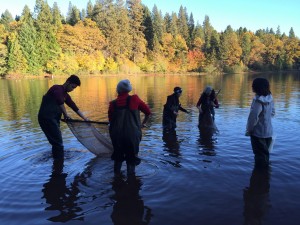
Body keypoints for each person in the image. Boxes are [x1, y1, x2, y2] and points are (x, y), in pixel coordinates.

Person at [38, 75, 89, 159]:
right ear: (68, 82)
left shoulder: (65, 95)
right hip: (46, 119)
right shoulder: (57, 88)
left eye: (74, 88)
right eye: (72, 87)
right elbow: (59, 101)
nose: (72, 90)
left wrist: (85, 118)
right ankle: (59, 159)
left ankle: (57, 163)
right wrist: (66, 115)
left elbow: (74, 107)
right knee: (58, 142)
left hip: (54, 119)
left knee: (57, 141)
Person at [108, 79, 151, 175]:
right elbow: (148, 112)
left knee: (118, 158)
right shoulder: (135, 99)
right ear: (129, 90)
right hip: (132, 136)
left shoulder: (113, 104)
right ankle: (131, 182)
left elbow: (111, 121)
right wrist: (142, 124)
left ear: (118, 90)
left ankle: (117, 180)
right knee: (131, 159)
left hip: (117, 136)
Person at [246, 78, 275, 168]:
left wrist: (249, 130)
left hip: (258, 133)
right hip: (269, 132)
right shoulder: (270, 98)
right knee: (266, 155)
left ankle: (260, 176)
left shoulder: (257, 101)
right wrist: (265, 118)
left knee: (259, 156)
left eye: (253, 85)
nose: (252, 86)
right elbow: (273, 113)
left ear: (256, 87)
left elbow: (253, 118)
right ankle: (265, 176)